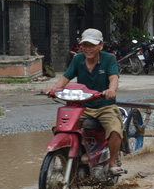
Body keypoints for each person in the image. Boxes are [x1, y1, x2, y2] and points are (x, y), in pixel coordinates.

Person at [43, 28, 124, 175]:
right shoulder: (78, 59)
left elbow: (113, 78)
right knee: (58, 126)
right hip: (82, 106)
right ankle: (75, 154)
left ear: (100, 46)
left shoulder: (108, 59)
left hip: (104, 106)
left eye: (92, 45)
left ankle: (112, 162)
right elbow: (65, 78)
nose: (88, 49)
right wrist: (53, 90)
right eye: (85, 45)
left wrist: (111, 90)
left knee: (115, 129)